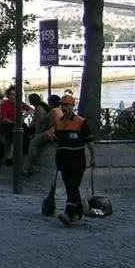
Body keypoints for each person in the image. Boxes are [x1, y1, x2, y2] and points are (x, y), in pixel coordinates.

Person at [47, 95, 97, 227]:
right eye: (62, 105)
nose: (63, 108)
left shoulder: (80, 122)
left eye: (66, 105)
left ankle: (68, 213)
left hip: (77, 159)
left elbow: (89, 141)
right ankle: (78, 211)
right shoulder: (59, 122)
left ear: (72, 106)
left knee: (72, 185)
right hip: (63, 159)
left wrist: (93, 157)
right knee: (71, 186)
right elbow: (57, 141)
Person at [25, 93, 52, 177]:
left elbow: (40, 123)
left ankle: (29, 167)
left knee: (32, 145)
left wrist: (37, 134)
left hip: (42, 131)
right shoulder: (39, 107)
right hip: (40, 131)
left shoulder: (39, 109)